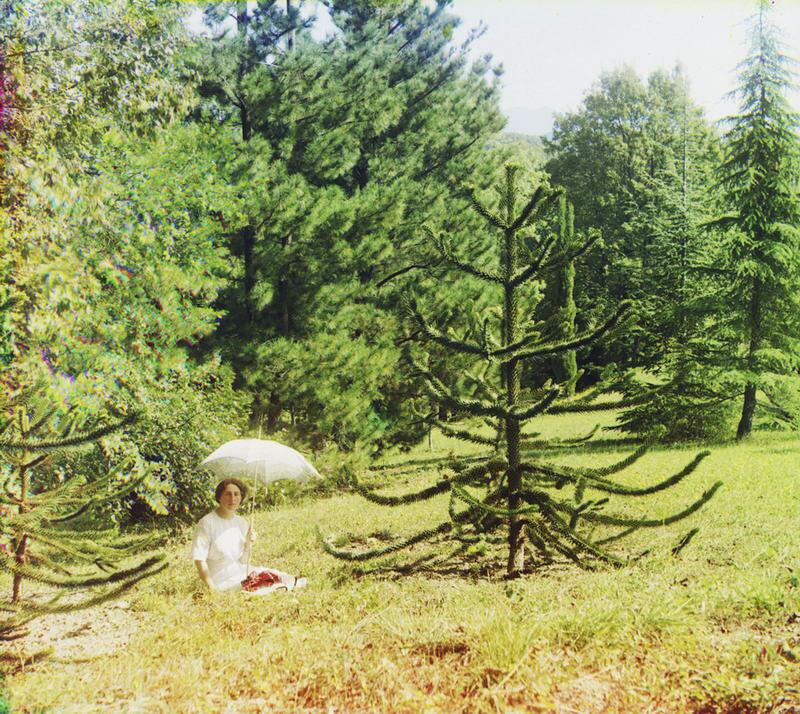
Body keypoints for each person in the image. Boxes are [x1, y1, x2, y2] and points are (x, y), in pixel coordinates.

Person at [191, 478, 306, 593]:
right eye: (228, 494)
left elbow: (243, 562)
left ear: (241, 498)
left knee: (278, 576)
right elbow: (199, 560)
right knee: (261, 585)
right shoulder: (207, 523)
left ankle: (284, 585)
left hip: (240, 572)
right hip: (220, 580)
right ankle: (276, 589)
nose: (232, 498)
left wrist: (249, 544)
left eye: (236, 494)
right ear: (219, 497)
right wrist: (212, 589)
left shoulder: (241, 522)